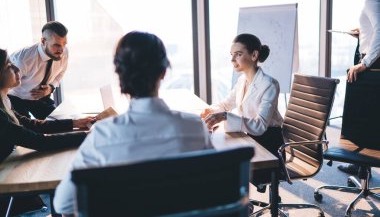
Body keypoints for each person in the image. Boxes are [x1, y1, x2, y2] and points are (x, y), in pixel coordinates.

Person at [53, 31, 213, 216]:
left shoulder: (102, 136)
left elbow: (63, 204)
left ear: (121, 76)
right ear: (163, 72)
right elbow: (214, 190)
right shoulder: (194, 127)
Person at [0, 48, 93, 216]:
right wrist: (86, 137)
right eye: (8, 66)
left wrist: (74, 123)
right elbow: (39, 141)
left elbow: (32, 125)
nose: (17, 69)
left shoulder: (5, 101)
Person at [201, 33, 284, 187]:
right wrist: (208, 111)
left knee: (224, 162)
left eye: (238, 54)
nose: (232, 60)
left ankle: (238, 204)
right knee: (218, 153)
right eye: (232, 55)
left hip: (268, 143)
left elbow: (260, 126)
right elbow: (226, 104)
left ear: (254, 55)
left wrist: (225, 116)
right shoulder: (242, 80)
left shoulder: (270, 84)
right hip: (247, 136)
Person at [338, 0, 380, 175]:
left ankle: (361, 165)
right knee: (372, 120)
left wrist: (365, 63)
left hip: (372, 70)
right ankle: (362, 167)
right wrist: (363, 33)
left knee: (362, 121)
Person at [8, 21, 69, 119]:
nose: (62, 50)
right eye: (57, 45)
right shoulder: (24, 59)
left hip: (41, 99)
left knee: (59, 122)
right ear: (43, 42)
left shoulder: (64, 52)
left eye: (64, 44)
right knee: (27, 131)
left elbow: (61, 73)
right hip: (16, 98)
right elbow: (6, 85)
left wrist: (51, 87)